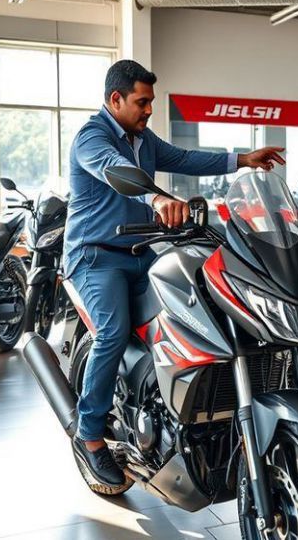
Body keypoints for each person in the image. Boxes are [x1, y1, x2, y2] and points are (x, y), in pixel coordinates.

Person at [65, 60, 285, 489]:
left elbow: (185, 158)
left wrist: (244, 159)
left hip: (141, 250)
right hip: (96, 257)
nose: (148, 110)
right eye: (141, 102)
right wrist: (156, 196)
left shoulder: (143, 140)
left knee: (195, 299)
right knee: (112, 330)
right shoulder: (92, 137)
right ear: (116, 100)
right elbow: (114, 170)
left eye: (150, 102)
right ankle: (89, 436)